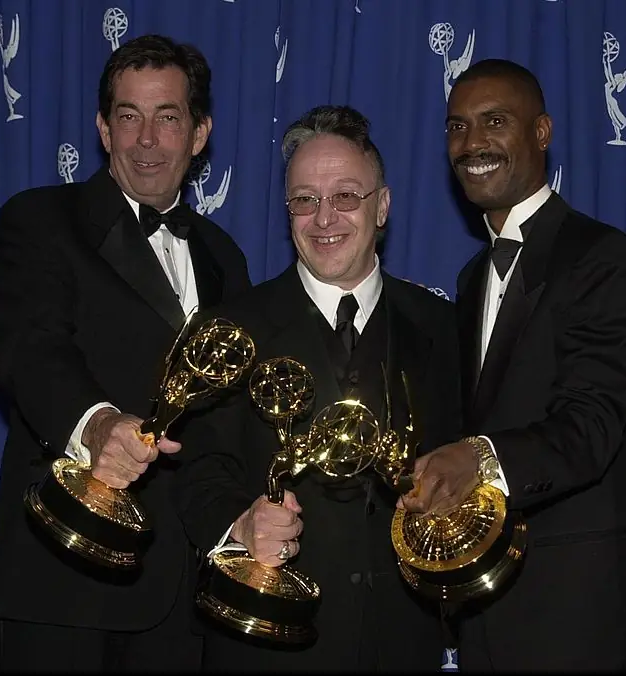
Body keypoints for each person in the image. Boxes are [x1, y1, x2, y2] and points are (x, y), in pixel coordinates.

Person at [0, 34, 252, 671]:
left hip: (185, 600)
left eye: (168, 117)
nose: (147, 139)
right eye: (128, 117)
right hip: (64, 578)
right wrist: (98, 424)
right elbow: (30, 350)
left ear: (200, 132)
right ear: (104, 131)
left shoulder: (226, 257)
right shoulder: (41, 220)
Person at [398, 58, 626, 671]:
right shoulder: (470, 280)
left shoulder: (602, 258)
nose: (472, 144)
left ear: (541, 132)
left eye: (495, 121)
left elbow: (592, 427)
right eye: (457, 127)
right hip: (485, 614)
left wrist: (479, 458)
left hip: (583, 618)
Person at [169, 105, 461, 671]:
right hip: (264, 643)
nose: (323, 217)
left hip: (402, 642)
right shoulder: (231, 330)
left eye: (345, 196)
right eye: (304, 200)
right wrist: (241, 525)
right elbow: (199, 474)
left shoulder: (442, 328)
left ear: (382, 207)